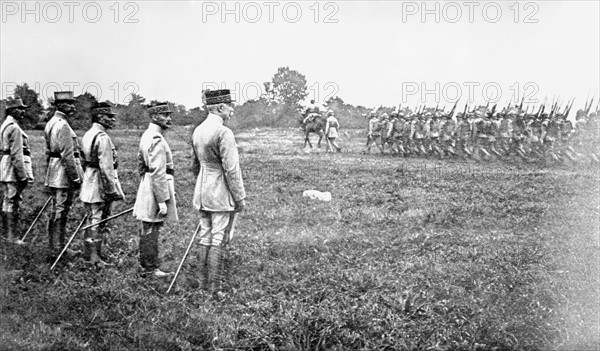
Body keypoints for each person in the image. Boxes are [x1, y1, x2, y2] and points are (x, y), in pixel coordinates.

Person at [192, 89, 246, 292]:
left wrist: (201, 185)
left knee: (205, 235)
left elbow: (194, 166)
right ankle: (214, 289)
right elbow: (232, 169)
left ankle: (201, 285)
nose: (232, 110)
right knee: (218, 237)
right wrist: (239, 197)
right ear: (221, 107)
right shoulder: (224, 132)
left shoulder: (197, 130)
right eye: (230, 106)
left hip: (202, 190)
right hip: (220, 191)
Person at [133, 102, 178, 278]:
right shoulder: (157, 138)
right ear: (154, 117)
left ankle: (147, 266)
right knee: (152, 227)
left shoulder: (147, 135)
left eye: (169, 115)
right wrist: (161, 199)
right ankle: (150, 268)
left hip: (147, 183)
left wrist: (145, 185)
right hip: (156, 186)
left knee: (148, 226)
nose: (169, 119)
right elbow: (158, 170)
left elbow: (140, 165)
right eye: (165, 115)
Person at [80, 102, 125, 268]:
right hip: (99, 182)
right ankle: (94, 259)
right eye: (109, 116)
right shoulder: (103, 137)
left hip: (89, 178)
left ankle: (89, 256)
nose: (113, 120)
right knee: (97, 219)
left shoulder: (88, 134)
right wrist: (111, 191)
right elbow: (106, 168)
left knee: (92, 217)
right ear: (100, 117)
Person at [44, 91, 84, 260]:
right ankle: (58, 250)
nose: (73, 107)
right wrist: (76, 178)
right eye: (70, 104)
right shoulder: (63, 125)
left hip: (53, 171)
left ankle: (55, 247)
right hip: (62, 173)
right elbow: (68, 156)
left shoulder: (51, 123)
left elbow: (48, 152)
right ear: (61, 106)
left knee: (56, 210)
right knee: (61, 211)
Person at [0, 98, 34, 243]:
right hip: (12, 168)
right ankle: (12, 237)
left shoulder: (5, 125)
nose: (23, 111)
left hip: (6, 166)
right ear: (12, 110)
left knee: (8, 200)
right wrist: (22, 175)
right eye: (20, 108)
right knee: (13, 201)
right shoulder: (13, 127)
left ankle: (7, 235)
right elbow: (17, 155)